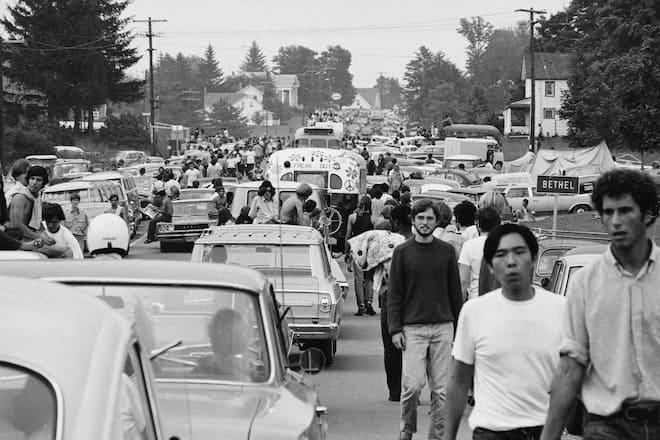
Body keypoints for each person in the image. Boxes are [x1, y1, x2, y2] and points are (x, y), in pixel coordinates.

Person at [541, 169, 660, 440]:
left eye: (625, 210)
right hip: (607, 424)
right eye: (608, 212)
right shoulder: (585, 284)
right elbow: (571, 366)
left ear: (647, 215)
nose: (616, 221)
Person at [446, 224, 566, 440]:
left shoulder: (561, 309)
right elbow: (459, 379)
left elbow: (569, 378)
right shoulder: (474, 312)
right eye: (501, 255)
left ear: (533, 259)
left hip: (544, 429)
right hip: (490, 431)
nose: (511, 262)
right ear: (490, 266)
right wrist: (447, 436)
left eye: (519, 252)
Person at [387, 199, 463, 440]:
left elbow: (455, 293)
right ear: (413, 220)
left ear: (436, 221)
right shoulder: (402, 252)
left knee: (441, 391)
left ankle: (437, 436)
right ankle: (406, 431)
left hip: (443, 327)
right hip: (412, 329)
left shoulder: (447, 251)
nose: (425, 222)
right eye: (420, 218)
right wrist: (395, 329)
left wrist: (460, 329)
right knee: (412, 387)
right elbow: (394, 294)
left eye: (430, 218)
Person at [380, 204, 413, 402]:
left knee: (391, 348)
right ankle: (412, 389)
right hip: (413, 298)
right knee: (414, 347)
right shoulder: (419, 242)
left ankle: (394, 391)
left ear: (396, 222)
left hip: (390, 297)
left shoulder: (389, 243)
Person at [193, 309, 256, 381]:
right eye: (214, 333)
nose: (214, 339)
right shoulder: (254, 371)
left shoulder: (204, 368)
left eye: (221, 333)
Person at [458, 207, 501, 301]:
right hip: (501, 298)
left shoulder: (469, 246)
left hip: (476, 298)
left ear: (478, 224)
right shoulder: (505, 244)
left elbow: (463, 281)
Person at [345, 196, 376, 316]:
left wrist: (347, 252)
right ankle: (369, 302)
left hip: (357, 249)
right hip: (370, 249)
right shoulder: (374, 219)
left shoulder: (352, 218)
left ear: (360, 205)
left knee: (358, 279)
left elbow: (348, 236)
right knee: (369, 278)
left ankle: (361, 305)